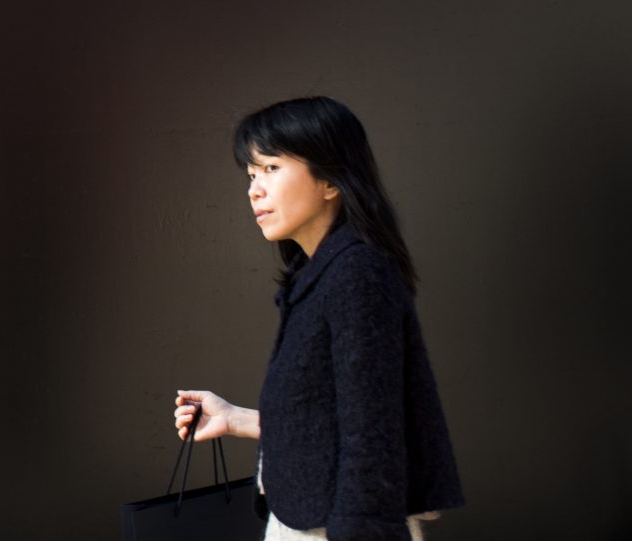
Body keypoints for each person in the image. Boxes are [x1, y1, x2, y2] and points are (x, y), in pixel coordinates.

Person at [171, 97, 462, 541]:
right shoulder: (319, 274)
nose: (254, 189)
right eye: (251, 175)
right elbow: (336, 416)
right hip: (309, 520)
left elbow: (372, 437)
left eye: (270, 168)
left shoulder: (358, 275)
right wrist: (236, 419)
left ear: (330, 178)